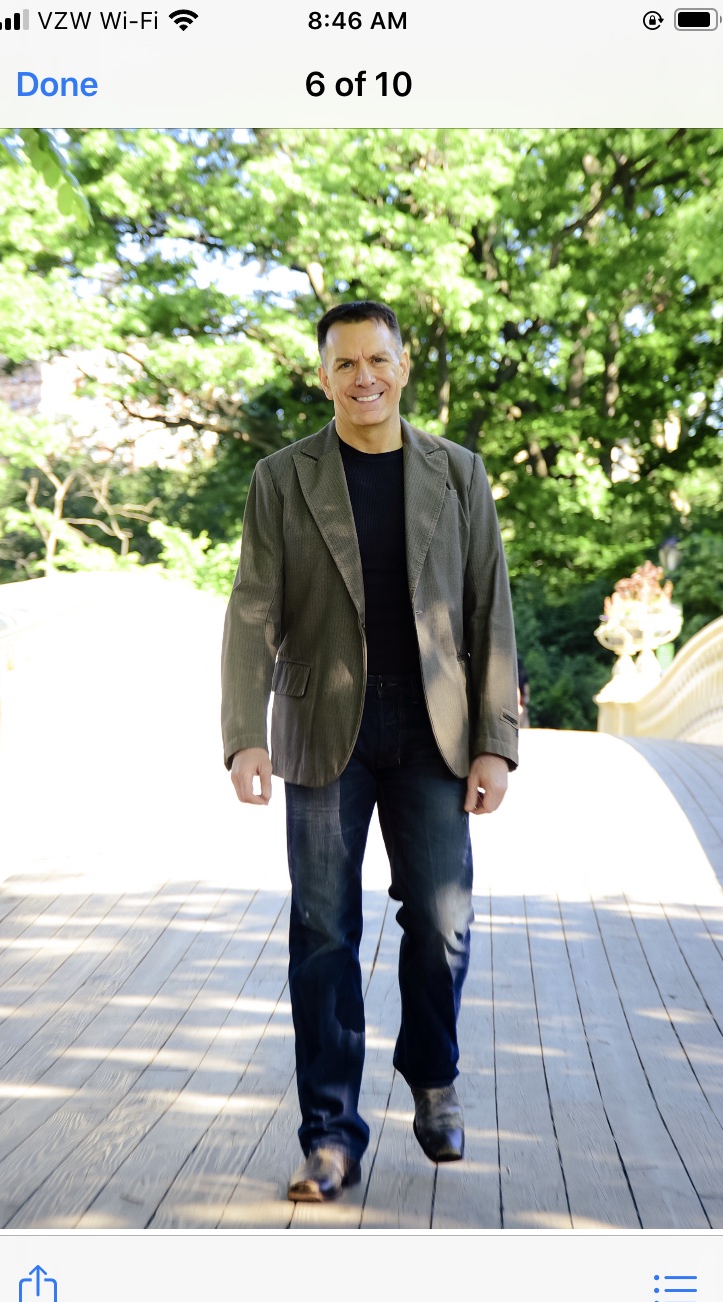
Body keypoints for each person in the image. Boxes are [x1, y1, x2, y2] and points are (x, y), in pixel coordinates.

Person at [221, 300, 519, 1203]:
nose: (364, 378)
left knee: (442, 920)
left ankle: (433, 1075)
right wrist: (242, 734)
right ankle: (329, 1137)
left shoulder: (458, 473)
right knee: (323, 933)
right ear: (324, 376)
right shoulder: (282, 478)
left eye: (378, 360)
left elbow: (489, 609)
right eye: (345, 363)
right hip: (322, 730)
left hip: (435, 732)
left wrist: (496, 742)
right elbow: (252, 608)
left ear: (402, 366)